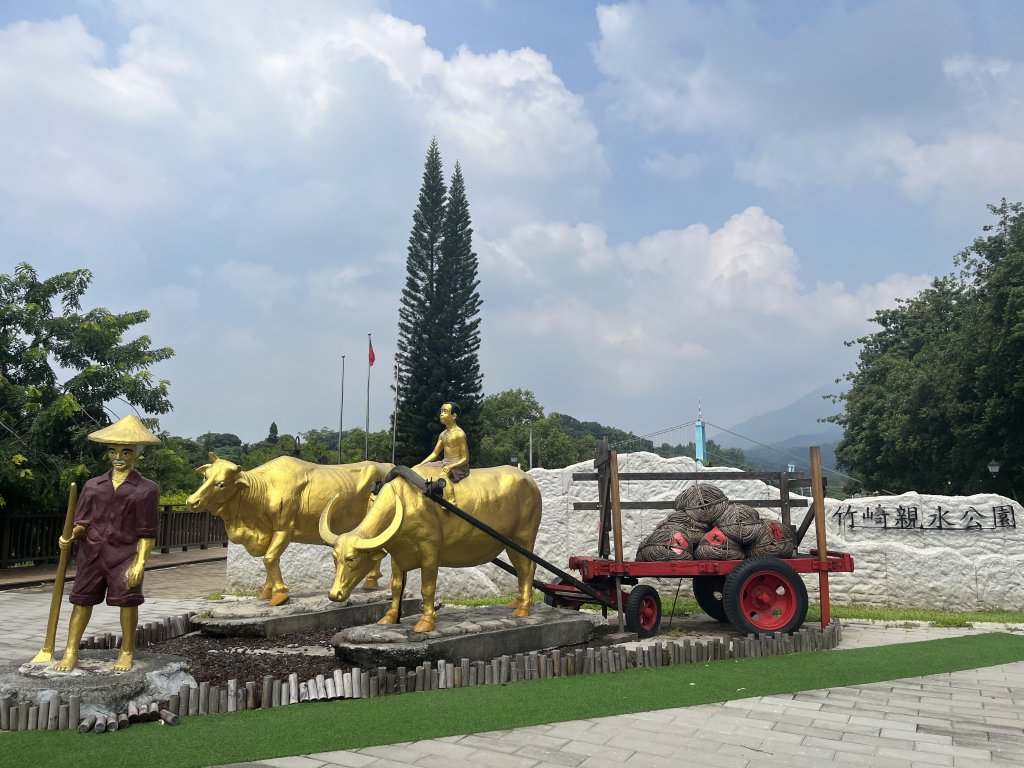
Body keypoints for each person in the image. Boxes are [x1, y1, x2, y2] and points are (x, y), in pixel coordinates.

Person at [53, 414, 160, 672]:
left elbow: (147, 533)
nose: (119, 457)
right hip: (92, 553)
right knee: (81, 600)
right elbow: (82, 522)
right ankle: (70, 651)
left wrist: (140, 563)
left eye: (126, 451)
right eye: (113, 451)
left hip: (124, 555)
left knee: (127, 601)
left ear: (136, 453)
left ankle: (126, 651)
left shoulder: (146, 489)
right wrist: (71, 535)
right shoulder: (93, 486)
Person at [415, 401, 470, 483]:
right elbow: (434, 454)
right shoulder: (442, 434)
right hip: (444, 463)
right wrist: (420, 464)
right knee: (423, 468)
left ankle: (450, 496)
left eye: (445, 411)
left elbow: (465, 458)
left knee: (442, 477)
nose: (441, 414)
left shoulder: (460, 434)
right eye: (441, 411)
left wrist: (451, 466)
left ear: (454, 416)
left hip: (457, 467)